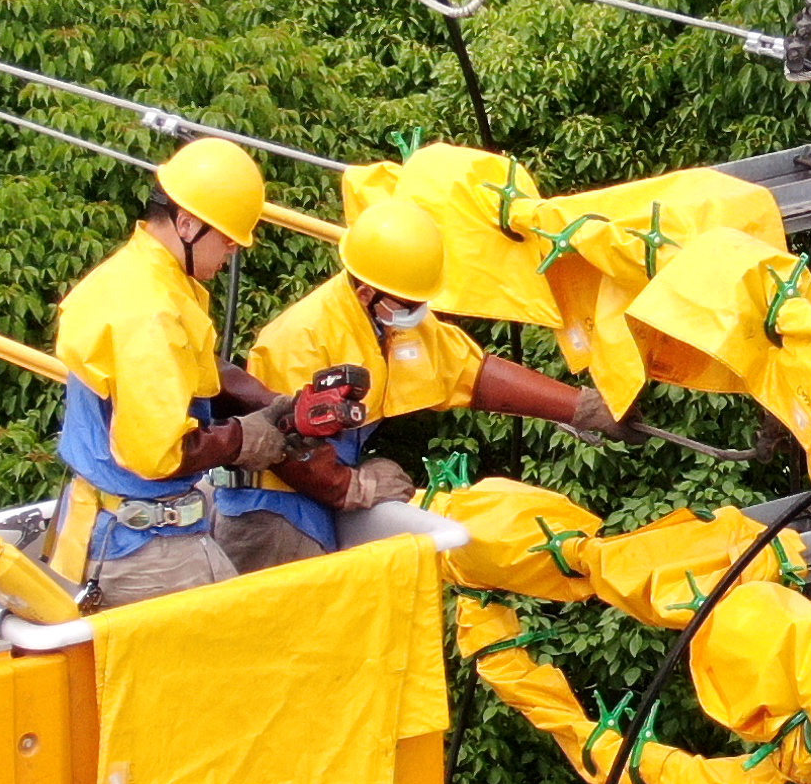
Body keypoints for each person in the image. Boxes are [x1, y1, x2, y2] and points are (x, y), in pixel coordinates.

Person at [228, 195, 630, 572]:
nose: (420, 313)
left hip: (321, 501)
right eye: (411, 305)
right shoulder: (303, 336)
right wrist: (356, 487)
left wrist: (583, 409)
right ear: (367, 292)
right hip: (272, 511)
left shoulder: (390, 323)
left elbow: (474, 375)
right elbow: (287, 441)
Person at [52, 138, 295, 608]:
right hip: (144, 549)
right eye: (226, 240)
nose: (230, 254)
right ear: (187, 224)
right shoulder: (150, 314)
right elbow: (158, 455)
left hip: (108, 525)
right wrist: (243, 441)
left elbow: (195, 368)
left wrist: (271, 404)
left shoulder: (139, 275)